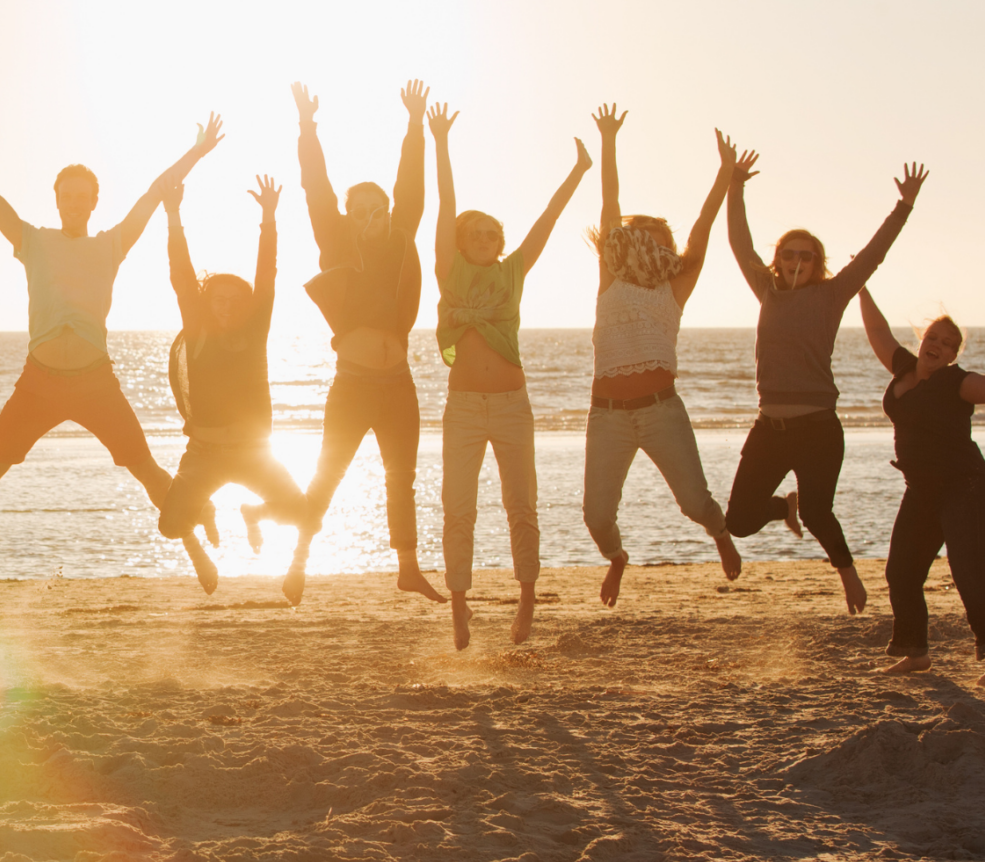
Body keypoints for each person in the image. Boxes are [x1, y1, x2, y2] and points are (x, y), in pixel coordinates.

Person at [0, 112, 225, 580]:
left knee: (145, 469)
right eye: (68, 196)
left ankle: (194, 544)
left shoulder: (111, 244)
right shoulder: (31, 241)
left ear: (95, 202)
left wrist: (196, 152)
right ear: (56, 200)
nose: (75, 203)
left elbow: (154, 194)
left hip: (95, 382)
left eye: (83, 197)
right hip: (38, 382)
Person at [723, 148, 926, 613]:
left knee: (818, 511)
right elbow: (738, 244)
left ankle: (850, 578)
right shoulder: (767, 291)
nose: (797, 261)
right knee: (738, 520)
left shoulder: (833, 294)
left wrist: (904, 206)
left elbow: (874, 255)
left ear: (818, 263)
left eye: (807, 256)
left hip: (818, 427)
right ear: (777, 260)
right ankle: (782, 508)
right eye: (789, 254)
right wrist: (735, 186)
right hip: (769, 428)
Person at [434, 105, 591, 649]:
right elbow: (444, 206)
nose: (485, 236)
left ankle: (526, 601)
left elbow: (546, 221)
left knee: (521, 505)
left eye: (492, 231)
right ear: (460, 240)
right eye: (475, 231)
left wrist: (579, 171)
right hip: (463, 408)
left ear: (501, 241)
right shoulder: (449, 270)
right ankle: (460, 605)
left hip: (510, 405)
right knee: (459, 508)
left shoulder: (512, 271)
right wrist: (439, 142)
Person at [284, 79, 440, 608]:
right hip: (352, 382)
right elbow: (315, 186)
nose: (370, 218)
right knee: (328, 473)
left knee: (403, 476)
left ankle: (408, 568)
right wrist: (308, 126)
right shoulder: (334, 238)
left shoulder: (399, 243)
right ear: (349, 214)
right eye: (361, 210)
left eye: (379, 209)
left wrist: (414, 125)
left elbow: (413, 190)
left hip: (398, 381)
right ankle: (299, 558)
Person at [582, 110, 742, 605]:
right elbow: (610, 206)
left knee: (696, 503)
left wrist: (724, 175)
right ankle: (617, 559)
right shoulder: (610, 277)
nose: (651, 241)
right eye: (641, 235)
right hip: (607, 417)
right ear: (627, 243)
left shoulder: (676, 286)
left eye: (660, 237)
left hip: (660, 411)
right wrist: (608, 140)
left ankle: (720, 534)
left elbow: (703, 225)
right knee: (595, 515)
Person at [858, 290, 985, 689]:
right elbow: (878, 331)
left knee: (968, 571)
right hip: (921, 489)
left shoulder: (958, 383)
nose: (938, 345)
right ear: (922, 339)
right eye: (934, 337)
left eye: (948, 344)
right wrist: (861, 288)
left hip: (963, 488)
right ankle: (915, 653)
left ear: (953, 356)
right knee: (901, 571)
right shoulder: (901, 368)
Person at [157, 175, 310, 590]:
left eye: (234, 301)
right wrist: (173, 215)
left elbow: (267, 276)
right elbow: (182, 276)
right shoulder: (197, 331)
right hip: (204, 452)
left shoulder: (255, 329)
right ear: (207, 304)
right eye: (217, 300)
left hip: (254, 452)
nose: (225, 307)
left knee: (304, 514)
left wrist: (269, 219)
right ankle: (202, 515)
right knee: (170, 526)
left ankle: (254, 513)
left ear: (246, 306)